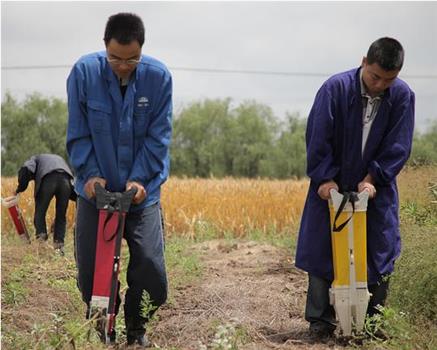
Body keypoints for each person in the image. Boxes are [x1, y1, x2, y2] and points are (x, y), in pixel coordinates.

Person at [295, 37, 415, 338]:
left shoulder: (401, 96)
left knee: (380, 249)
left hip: (376, 186)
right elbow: (317, 136)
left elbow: (399, 145)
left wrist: (374, 179)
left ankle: (372, 325)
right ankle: (320, 323)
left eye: (388, 79)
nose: (379, 85)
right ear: (364, 62)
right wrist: (324, 179)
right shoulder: (335, 89)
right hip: (331, 182)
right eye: (375, 76)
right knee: (322, 247)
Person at [66, 12, 172, 347]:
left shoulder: (158, 78)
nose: (123, 66)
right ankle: (102, 326)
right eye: (115, 58)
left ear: (141, 50)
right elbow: (78, 133)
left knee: (151, 267)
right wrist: (90, 175)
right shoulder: (84, 73)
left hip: (142, 194)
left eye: (131, 59)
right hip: (94, 193)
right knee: (90, 271)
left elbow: (159, 137)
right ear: (104, 47)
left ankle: (137, 329)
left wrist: (140, 181)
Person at [14, 153, 76, 254]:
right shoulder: (59, 158)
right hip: (66, 180)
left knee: (40, 213)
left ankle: (41, 244)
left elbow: (26, 168)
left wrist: (19, 188)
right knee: (61, 216)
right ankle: (59, 248)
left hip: (48, 179)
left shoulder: (35, 158)